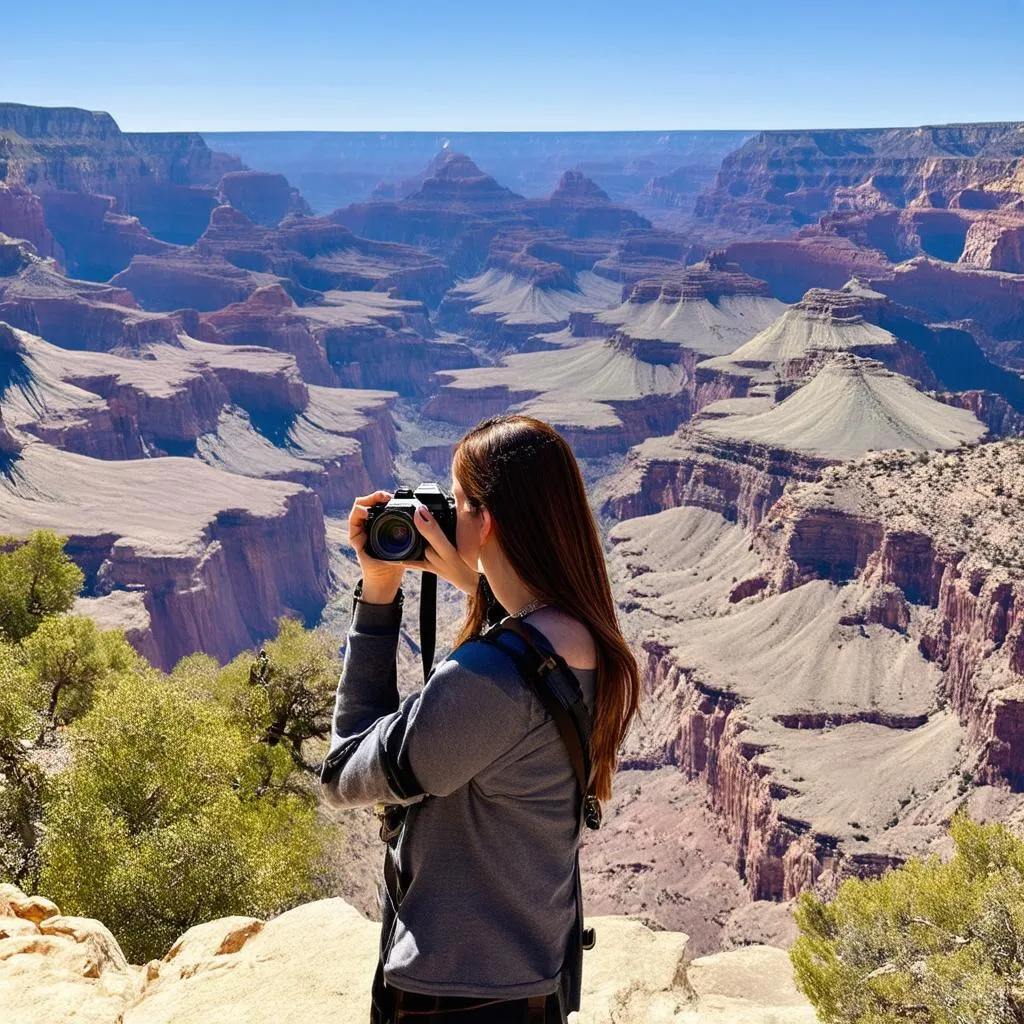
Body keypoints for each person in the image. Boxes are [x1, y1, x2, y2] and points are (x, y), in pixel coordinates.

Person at [319, 414, 642, 1024]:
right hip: (531, 980)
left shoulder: (490, 679)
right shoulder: (581, 639)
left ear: (486, 521)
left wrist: (379, 592)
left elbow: (341, 774)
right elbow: (526, 642)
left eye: (456, 503)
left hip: (456, 998)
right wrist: (476, 581)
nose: (440, 517)